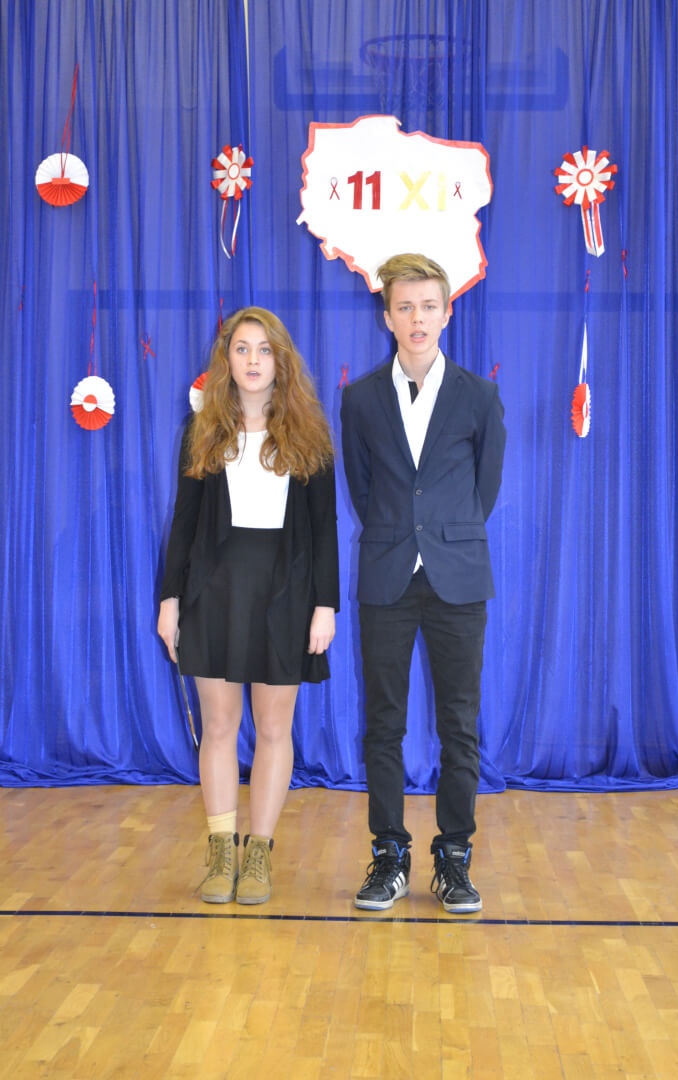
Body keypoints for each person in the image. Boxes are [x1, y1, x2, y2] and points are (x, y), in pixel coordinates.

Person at [340, 253, 505, 913]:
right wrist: (402, 536)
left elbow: (483, 491)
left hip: (458, 579)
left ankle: (454, 857)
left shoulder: (479, 396)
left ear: (447, 312)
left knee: (459, 723)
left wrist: (443, 537)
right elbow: (363, 488)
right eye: (404, 307)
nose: (417, 318)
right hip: (386, 576)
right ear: (387, 316)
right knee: (383, 723)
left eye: (428, 306)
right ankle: (389, 854)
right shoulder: (359, 399)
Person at [158, 307, 338, 905]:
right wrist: (170, 598)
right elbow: (183, 523)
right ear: (226, 358)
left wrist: (325, 605)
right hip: (214, 593)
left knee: (274, 728)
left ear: (281, 360)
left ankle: (258, 854)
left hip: (285, 596)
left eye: (264, 349)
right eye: (242, 348)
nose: (253, 360)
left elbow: (326, 528)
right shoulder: (202, 430)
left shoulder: (310, 433)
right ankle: (220, 852)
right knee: (218, 725)